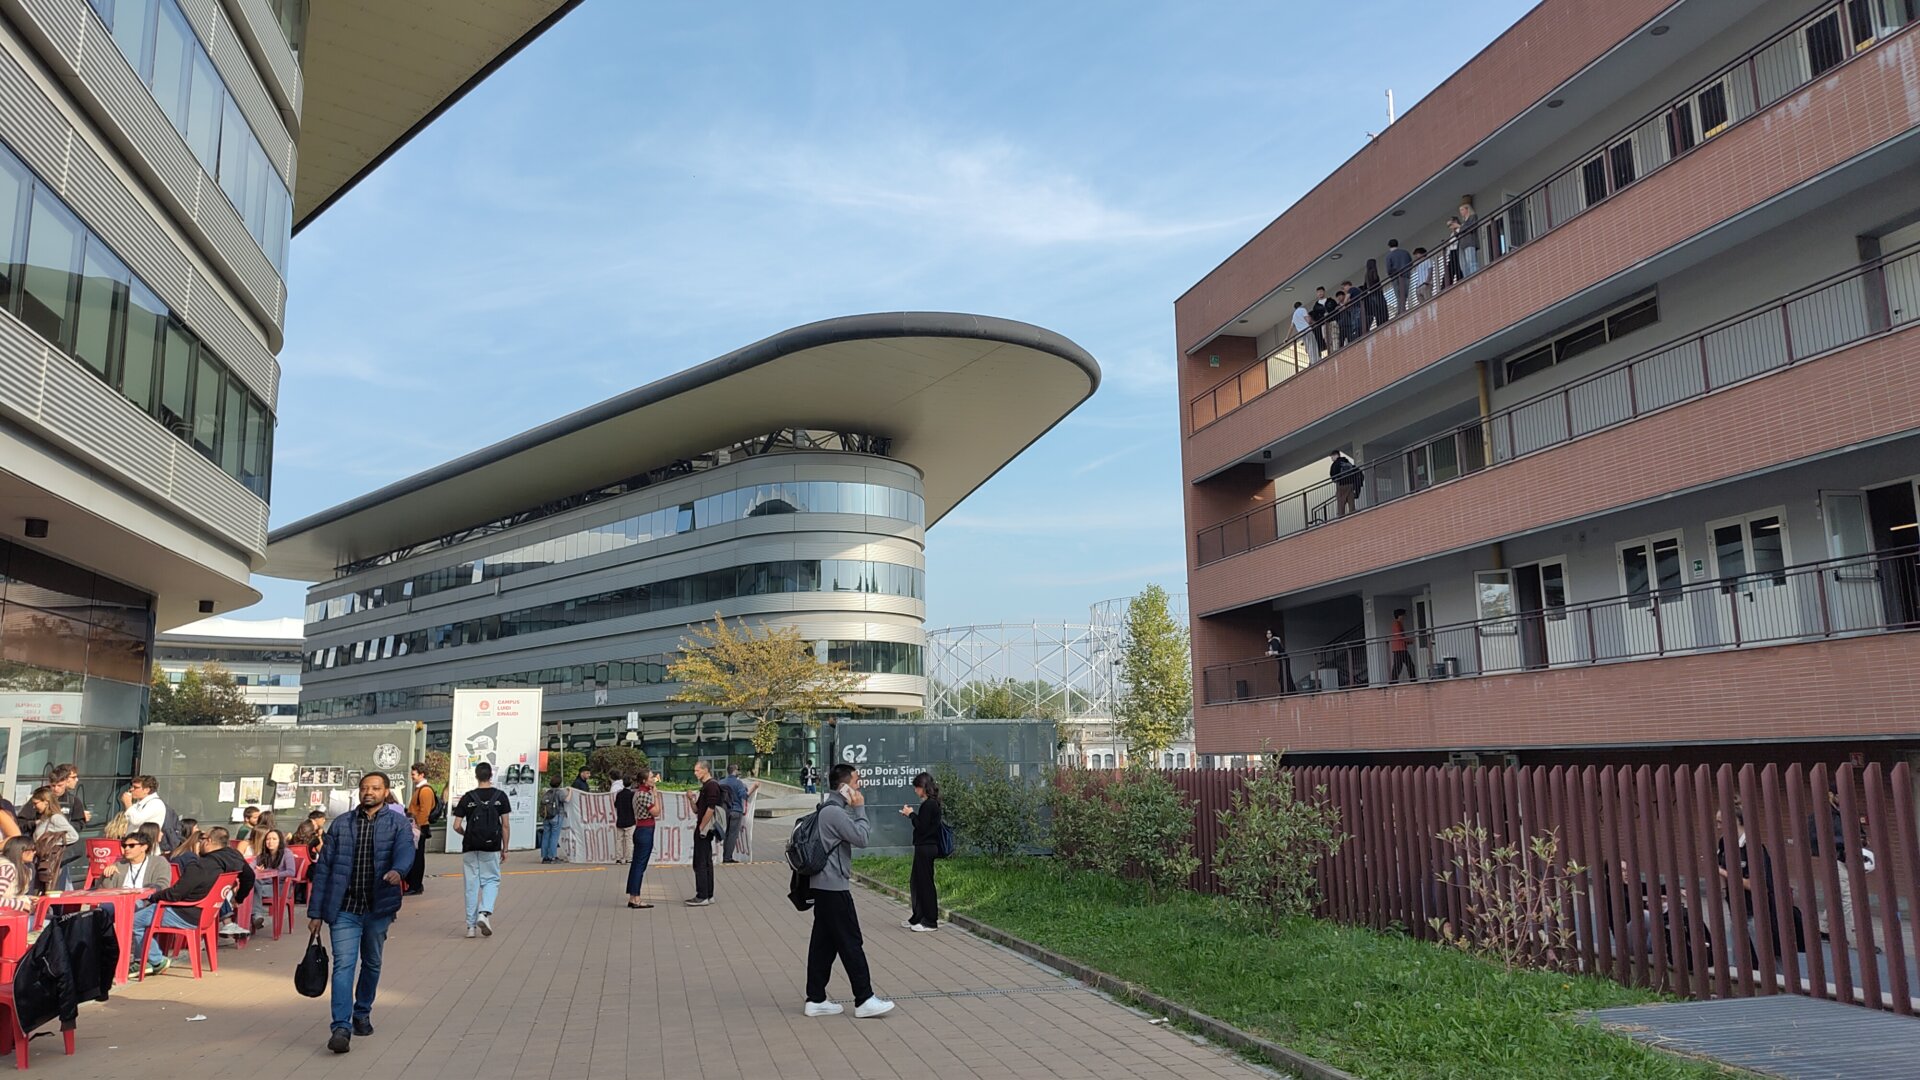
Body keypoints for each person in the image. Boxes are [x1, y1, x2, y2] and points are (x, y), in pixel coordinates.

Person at [308, 771, 416, 1055]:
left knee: (372, 962)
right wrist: (316, 912)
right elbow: (324, 871)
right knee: (344, 965)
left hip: (378, 907)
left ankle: (362, 1012)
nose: (369, 791)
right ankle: (341, 1027)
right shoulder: (341, 824)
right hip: (344, 908)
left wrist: (398, 870)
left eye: (375, 788)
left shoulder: (397, 823)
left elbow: (406, 851)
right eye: (364, 787)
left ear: (386, 792)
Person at [802, 763, 893, 1018]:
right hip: (834, 887)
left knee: (824, 944)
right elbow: (862, 839)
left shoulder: (828, 810)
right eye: (856, 781)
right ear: (844, 787)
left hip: (824, 885)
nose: (859, 785)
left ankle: (816, 998)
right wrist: (860, 808)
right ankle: (864, 998)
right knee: (851, 941)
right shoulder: (835, 813)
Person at [132, 827, 255, 976]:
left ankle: (156, 961)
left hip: (186, 913)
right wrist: (238, 899)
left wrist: (152, 897)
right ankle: (149, 959)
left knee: (133, 921)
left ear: (208, 841)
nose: (200, 842)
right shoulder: (235, 856)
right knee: (146, 915)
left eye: (202, 839)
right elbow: (249, 877)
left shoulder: (201, 865)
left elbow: (176, 894)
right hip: (209, 914)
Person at [452, 762, 511, 939]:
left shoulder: (468, 798)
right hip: (491, 846)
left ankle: (470, 928)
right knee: (491, 880)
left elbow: (456, 826)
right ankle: (484, 913)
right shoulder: (500, 796)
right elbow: (505, 825)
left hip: (470, 846)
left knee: (471, 885)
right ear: (490, 776)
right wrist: (505, 848)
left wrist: (466, 834)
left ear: (476, 776)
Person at [898, 772, 943, 932]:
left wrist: (911, 814)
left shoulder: (929, 805)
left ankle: (930, 921)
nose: (916, 791)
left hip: (926, 847)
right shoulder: (931, 804)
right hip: (925, 846)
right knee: (917, 882)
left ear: (924, 788)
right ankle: (918, 917)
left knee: (925, 884)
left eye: (917, 787)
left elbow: (922, 827)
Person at [687, 761, 725, 906]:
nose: (695, 773)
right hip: (704, 827)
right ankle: (708, 894)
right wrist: (691, 799)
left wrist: (702, 826)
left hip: (705, 828)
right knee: (705, 860)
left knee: (701, 862)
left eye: (697, 770)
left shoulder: (711, 786)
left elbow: (711, 808)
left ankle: (702, 895)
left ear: (705, 770)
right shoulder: (706, 787)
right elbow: (697, 810)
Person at [624, 767, 662, 909]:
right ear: (645, 781)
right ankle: (636, 897)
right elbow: (656, 812)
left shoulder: (638, 793)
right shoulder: (644, 795)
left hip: (641, 829)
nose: (654, 779)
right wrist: (656, 796)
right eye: (651, 777)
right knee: (640, 865)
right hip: (645, 830)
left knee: (637, 864)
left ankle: (633, 895)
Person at [98, 832, 167, 892]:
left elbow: (162, 886)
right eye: (124, 846)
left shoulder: (158, 862)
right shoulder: (119, 865)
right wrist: (107, 875)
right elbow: (103, 890)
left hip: (144, 901)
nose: (126, 849)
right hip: (120, 901)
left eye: (131, 846)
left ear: (144, 847)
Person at [405, 764, 437, 895]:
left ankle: (415, 885)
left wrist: (418, 826)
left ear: (421, 774)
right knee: (416, 856)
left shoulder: (425, 790)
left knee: (417, 858)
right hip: (417, 825)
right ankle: (415, 884)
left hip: (418, 827)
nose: (412, 777)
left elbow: (424, 811)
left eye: (414, 774)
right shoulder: (421, 789)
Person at [720, 764, 761, 864]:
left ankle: (724, 855)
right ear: (734, 771)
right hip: (736, 810)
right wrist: (754, 787)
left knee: (726, 834)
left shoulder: (721, 782)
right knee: (732, 835)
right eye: (738, 769)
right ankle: (727, 857)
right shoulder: (738, 783)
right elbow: (744, 796)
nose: (739, 771)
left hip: (724, 811)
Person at [539, 775, 569, 863]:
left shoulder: (547, 792)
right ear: (559, 783)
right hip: (557, 815)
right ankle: (553, 856)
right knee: (554, 836)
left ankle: (545, 857)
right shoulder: (560, 792)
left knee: (546, 835)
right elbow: (566, 800)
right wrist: (570, 792)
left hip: (546, 816)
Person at [0, 837, 33, 911]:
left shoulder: (23, 868)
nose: (34, 853)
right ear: (20, 851)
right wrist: (23, 905)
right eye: (32, 850)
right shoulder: (7, 869)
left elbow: (10, 896)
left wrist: (28, 898)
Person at [1330, 450, 1363, 517]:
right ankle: (1352, 514)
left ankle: (1341, 517)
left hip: (1341, 485)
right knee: (1351, 501)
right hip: (1350, 484)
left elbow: (1333, 476)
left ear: (1336, 455)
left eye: (1332, 456)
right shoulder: (1346, 461)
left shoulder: (1335, 464)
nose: (1331, 458)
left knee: (1341, 503)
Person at [1386, 239, 1413, 318]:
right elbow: (1410, 263)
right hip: (1406, 275)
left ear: (1389, 246)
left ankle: (1400, 311)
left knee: (1399, 295)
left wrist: (1391, 275)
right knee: (1405, 294)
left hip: (1396, 277)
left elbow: (1389, 269)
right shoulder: (1405, 253)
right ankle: (1402, 309)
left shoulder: (1389, 256)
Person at [612, 776, 636, 864]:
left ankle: (618, 858)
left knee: (619, 840)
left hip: (620, 820)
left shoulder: (619, 794)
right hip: (630, 820)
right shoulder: (632, 795)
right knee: (629, 840)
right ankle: (628, 858)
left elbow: (615, 805)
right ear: (631, 784)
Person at [1390, 609, 1417, 683]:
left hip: (1400, 648)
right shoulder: (1397, 624)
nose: (1405, 616)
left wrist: (1407, 642)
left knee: (1399, 666)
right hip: (1400, 648)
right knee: (1406, 665)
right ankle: (1413, 680)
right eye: (1404, 615)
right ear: (1400, 615)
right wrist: (1408, 640)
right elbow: (1399, 636)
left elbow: (1399, 636)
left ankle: (1393, 681)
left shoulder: (1398, 623)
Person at [1265, 629, 1296, 694]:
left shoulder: (1274, 641)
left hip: (1283, 659)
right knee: (1285, 675)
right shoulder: (1273, 641)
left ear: (1272, 634)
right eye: (1267, 633)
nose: (1268, 635)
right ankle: (1290, 691)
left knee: (1282, 677)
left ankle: (1286, 692)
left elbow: (1276, 651)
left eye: (1269, 633)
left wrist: (1269, 653)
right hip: (1283, 659)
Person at [1456, 200, 1480, 278]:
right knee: (1464, 264)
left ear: (1467, 209)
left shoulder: (1473, 217)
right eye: (1460, 210)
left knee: (1471, 261)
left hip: (1470, 242)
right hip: (1463, 244)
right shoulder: (1464, 222)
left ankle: (1474, 276)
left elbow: (1471, 227)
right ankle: (1468, 277)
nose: (1461, 212)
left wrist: (1460, 227)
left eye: (1462, 210)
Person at [1363, 259, 1389, 332]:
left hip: (1371, 294)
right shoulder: (1373, 271)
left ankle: (1379, 324)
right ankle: (1384, 322)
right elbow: (1376, 279)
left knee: (1376, 311)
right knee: (1382, 308)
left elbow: (1365, 286)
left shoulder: (1366, 274)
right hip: (1377, 293)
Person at [1309, 286, 1335, 355]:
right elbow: (1315, 316)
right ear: (1317, 294)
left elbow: (1335, 308)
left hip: (1332, 320)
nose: (1320, 293)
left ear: (1324, 292)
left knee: (1334, 336)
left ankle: (1335, 350)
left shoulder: (1330, 301)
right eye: (1318, 292)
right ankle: (1330, 351)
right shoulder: (1316, 306)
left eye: (1321, 291)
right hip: (1323, 324)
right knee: (1326, 338)